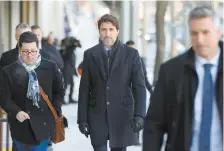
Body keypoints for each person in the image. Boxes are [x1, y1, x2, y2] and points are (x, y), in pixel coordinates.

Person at [143, 6, 223, 151]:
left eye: (205, 32)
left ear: (218, 32)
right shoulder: (171, 71)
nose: (199, 40)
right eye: (194, 33)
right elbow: (154, 123)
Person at [78, 14, 146, 151]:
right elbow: (84, 89)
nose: (107, 33)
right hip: (97, 114)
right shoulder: (90, 55)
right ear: (99, 31)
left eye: (111, 29)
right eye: (103, 29)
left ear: (117, 31)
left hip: (122, 114)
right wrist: (82, 119)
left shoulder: (131, 54)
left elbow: (139, 87)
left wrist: (139, 115)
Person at [0, 31, 65, 151]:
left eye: (33, 51)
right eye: (25, 51)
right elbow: (4, 98)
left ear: (38, 49)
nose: (30, 55)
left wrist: (55, 109)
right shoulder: (9, 71)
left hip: (44, 123)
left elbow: (59, 90)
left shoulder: (50, 67)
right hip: (20, 125)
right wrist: (16, 111)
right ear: (19, 50)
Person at [60, 36, 81, 104]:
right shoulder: (67, 50)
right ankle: (62, 99)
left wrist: (75, 42)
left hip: (71, 69)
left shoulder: (71, 49)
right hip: (66, 70)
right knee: (65, 85)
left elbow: (79, 45)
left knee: (72, 84)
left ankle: (70, 98)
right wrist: (72, 44)